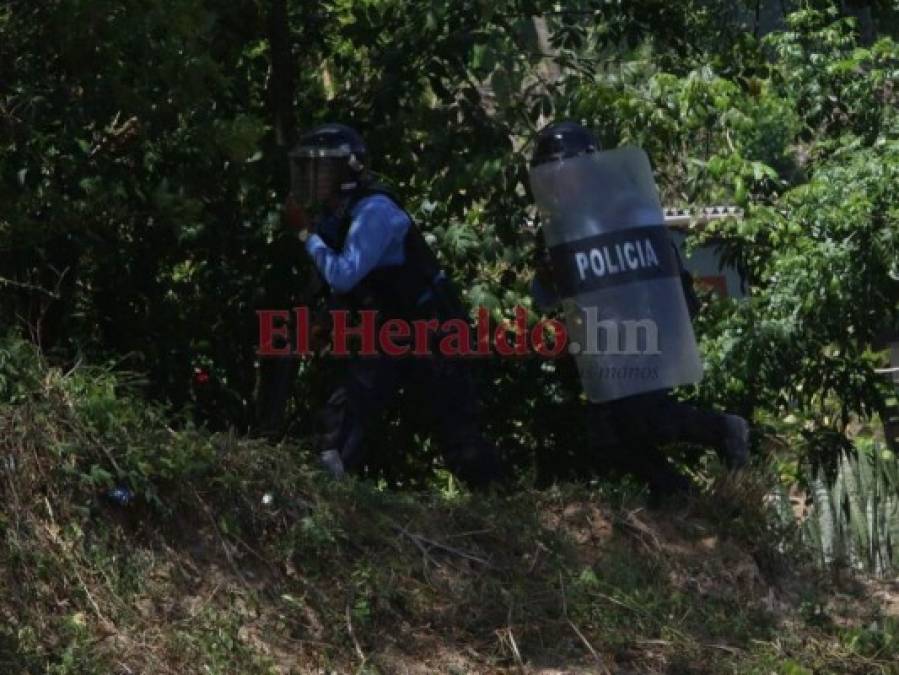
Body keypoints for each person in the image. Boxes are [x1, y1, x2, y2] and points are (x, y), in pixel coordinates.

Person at [527, 121, 749, 499]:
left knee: (643, 418)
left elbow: (658, 268)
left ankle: (722, 430)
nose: (557, 184)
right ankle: (677, 493)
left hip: (651, 323)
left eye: (561, 173)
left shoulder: (623, 206)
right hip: (605, 333)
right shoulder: (562, 224)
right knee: (606, 432)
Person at [283, 123, 501, 488]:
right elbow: (346, 289)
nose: (314, 178)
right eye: (309, 168)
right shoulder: (335, 217)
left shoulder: (374, 211)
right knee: (347, 408)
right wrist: (325, 321)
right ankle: (326, 496)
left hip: (432, 329)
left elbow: (343, 273)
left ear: (349, 170)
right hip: (390, 330)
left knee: (457, 429)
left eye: (323, 169)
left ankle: (500, 503)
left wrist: (305, 234)